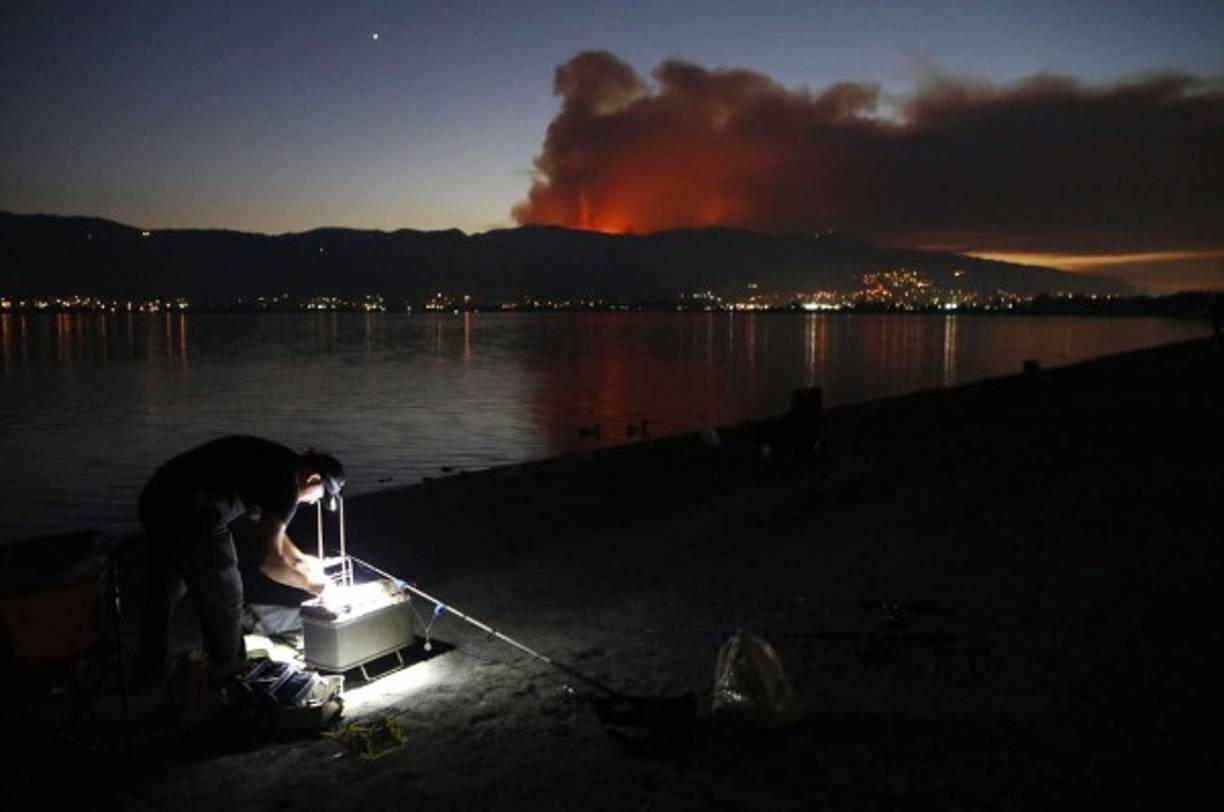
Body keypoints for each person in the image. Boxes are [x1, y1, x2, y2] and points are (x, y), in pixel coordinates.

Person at [134, 435, 345, 686]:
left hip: (157, 497)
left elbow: (271, 529)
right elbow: (268, 562)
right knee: (225, 594)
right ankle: (228, 673)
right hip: (194, 511)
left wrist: (298, 559)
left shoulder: (280, 463)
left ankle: (149, 671)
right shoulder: (287, 484)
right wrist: (315, 586)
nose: (313, 502)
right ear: (313, 478)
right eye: (319, 495)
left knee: (165, 590)